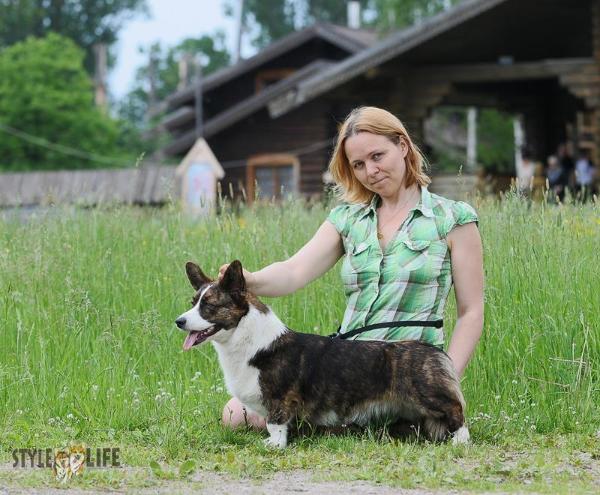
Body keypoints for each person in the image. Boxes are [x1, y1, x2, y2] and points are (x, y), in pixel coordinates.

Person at [218, 106, 484, 429]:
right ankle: (346, 421)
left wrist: (443, 381)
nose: (370, 171)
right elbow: (294, 272)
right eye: (358, 165)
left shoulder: (453, 219)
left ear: (402, 146)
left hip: (407, 372)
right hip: (346, 370)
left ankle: (383, 421)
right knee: (235, 413)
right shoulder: (348, 219)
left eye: (377, 156)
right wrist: (250, 280)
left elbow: (471, 312)